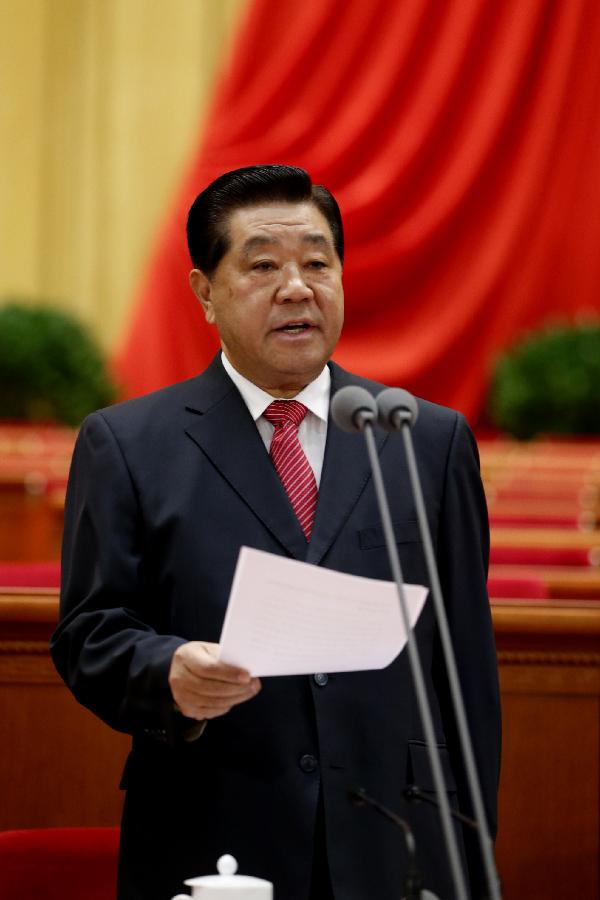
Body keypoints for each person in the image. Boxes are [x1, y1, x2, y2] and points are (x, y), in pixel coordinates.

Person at [50, 165, 501, 900]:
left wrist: (471, 850)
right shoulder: (128, 444)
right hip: (213, 829)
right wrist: (166, 672)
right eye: (262, 265)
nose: (297, 287)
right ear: (204, 291)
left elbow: (465, 670)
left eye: (318, 263)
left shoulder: (423, 438)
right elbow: (88, 634)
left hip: (395, 839)